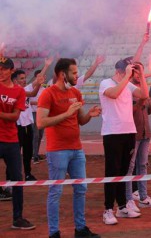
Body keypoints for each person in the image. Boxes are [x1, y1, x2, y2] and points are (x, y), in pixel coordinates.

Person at [37, 58, 101, 238]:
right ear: (62, 74)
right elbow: (40, 122)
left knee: (81, 189)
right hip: (58, 150)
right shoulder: (48, 94)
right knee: (56, 191)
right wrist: (67, 113)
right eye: (74, 72)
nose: (77, 75)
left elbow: (80, 120)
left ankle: (80, 229)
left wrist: (89, 114)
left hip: (76, 149)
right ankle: (54, 233)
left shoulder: (75, 93)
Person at [99, 57, 148, 225]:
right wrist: (127, 77)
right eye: (127, 70)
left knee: (124, 171)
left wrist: (141, 76)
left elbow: (144, 95)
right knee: (112, 171)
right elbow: (113, 94)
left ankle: (121, 206)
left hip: (129, 132)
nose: (130, 73)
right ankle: (107, 209)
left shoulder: (128, 84)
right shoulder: (105, 83)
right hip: (112, 133)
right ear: (119, 71)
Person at [0, 56, 35, 230]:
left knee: (17, 180)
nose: (1, 72)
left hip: (11, 139)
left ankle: (18, 218)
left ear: (11, 70)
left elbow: (15, 116)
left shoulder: (19, 92)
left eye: (4, 68)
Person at [125, 61, 151, 213]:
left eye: (140, 71)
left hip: (145, 132)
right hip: (132, 132)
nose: (139, 74)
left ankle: (143, 197)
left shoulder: (143, 88)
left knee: (143, 165)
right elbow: (127, 111)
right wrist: (140, 103)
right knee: (130, 167)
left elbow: (147, 111)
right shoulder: (127, 88)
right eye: (136, 71)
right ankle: (128, 199)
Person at [12, 70, 39, 181]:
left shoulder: (26, 88)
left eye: (24, 78)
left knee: (28, 151)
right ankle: (13, 175)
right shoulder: (13, 91)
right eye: (21, 78)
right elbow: (33, 94)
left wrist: (46, 66)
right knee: (14, 153)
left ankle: (28, 173)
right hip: (17, 125)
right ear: (15, 80)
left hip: (28, 125)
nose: (24, 80)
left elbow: (36, 83)